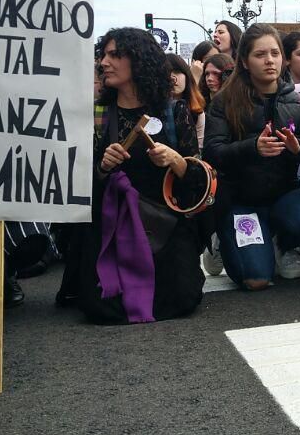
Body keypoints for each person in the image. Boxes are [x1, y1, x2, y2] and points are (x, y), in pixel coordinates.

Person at [64, 28, 207, 324]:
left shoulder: (173, 111)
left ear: (140, 61)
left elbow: (197, 179)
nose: (104, 62)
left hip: (163, 223)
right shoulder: (96, 114)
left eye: (115, 55)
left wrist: (177, 161)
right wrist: (103, 167)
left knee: (181, 296)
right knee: (100, 307)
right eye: (103, 55)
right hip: (110, 227)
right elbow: (75, 184)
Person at [204, 23, 300, 290]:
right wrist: (253, 148)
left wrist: (299, 149)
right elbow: (213, 154)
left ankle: (284, 242)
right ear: (245, 62)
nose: (269, 60)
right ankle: (222, 236)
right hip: (241, 199)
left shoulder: (299, 101)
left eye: (274, 53)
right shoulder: (225, 101)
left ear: (283, 59)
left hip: (284, 192)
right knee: (255, 279)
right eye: (260, 55)